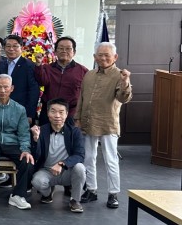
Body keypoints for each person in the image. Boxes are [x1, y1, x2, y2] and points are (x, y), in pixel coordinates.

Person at [76, 42, 132, 209]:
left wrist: (125, 82)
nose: (103, 58)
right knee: (88, 158)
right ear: (95, 57)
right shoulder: (89, 74)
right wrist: (77, 118)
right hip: (88, 121)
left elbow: (123, 98)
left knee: (111, 159)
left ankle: (113, 194)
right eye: (100, 55)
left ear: (115, 57)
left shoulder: (120, 75)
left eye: (107, 55)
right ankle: (91, 190)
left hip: (108, 123)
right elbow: (81, 98)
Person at [0, 74, 35, 209]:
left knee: (27, 161)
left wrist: (26, 149)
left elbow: (23, 133)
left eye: (6, 87)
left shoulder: (20, 109)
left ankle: (17, 196)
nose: (3, 90)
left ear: (12, 88)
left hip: (12, 142)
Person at [30, 98, 86, 213]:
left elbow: (80, 155)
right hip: (47, 171)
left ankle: (75, 200)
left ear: (66, 114)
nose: (57, 115)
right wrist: (35, 139)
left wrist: (62, 164)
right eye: (53, 111)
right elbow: (35, 156)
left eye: (61, 112)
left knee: (80, 168)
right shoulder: (41, 130)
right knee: (37, 181)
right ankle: (47, 194)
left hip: (67, 171)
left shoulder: (74, 132)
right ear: (48, 113)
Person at [34, 36, 88, 125]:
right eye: (61, 48)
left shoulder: (83, 71)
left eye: (68, 48)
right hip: (48, 113)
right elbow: (41, 82)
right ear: (55, 52)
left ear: (74, 52)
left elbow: (86, 94)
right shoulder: (47, 68)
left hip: (71, 114)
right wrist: (39, 65)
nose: (64, 51)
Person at [0, 34, 40, 123]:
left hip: (22, 111)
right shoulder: (1, 64)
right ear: (4, 48)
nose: (11, 49)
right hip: (2, 110)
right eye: (8, 46)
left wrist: (29, 114)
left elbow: (34, 91)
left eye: (15, 46)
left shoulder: (29, 65)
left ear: (22, 48)